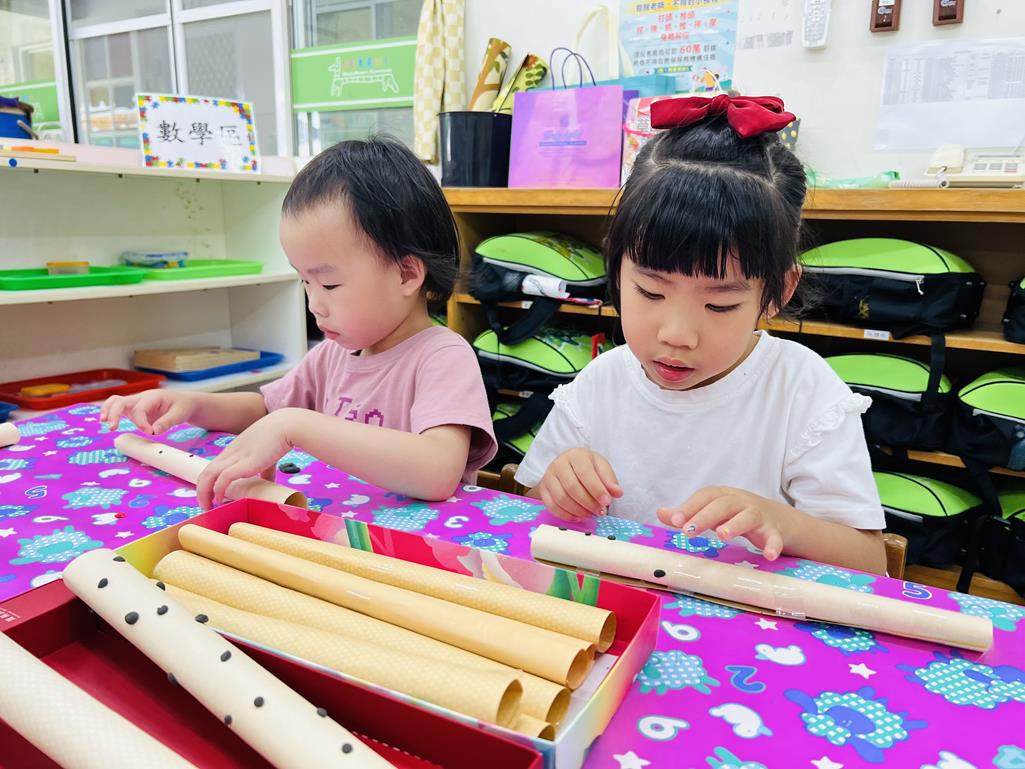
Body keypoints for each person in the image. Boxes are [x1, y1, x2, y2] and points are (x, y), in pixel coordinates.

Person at [515, 96, 886, 573]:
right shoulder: (602, 381)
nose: (677, 335)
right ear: (618, 268)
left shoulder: (800, 389)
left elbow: (869, 561)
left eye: (719, 305)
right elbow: (528, 509)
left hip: (743, 613)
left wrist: (783, 522)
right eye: (650, 292)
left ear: (778, 291)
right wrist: (557, 488)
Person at [103, 136, 496, 509]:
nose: (314, 304)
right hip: (334, 535)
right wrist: (192, 404)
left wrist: (294, 425)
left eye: (329, 284)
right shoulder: (333, 355)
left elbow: (437, 471)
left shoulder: (443, 357)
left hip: (417, 547)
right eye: (305, 281)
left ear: (406, 274)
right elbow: (265, 409)